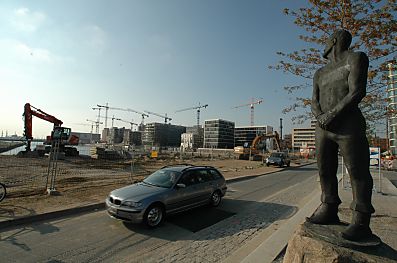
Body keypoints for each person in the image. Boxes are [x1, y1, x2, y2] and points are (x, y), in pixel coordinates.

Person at [308, 29, 374, 241]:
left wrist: (332, 114)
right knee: (324, 169)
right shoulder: (319, 73)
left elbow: (357, 91)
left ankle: (361, 219)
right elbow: (314, 100)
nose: (324, 46)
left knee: (357, 171)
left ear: (334, 41)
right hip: (323, 128)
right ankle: (329, 205)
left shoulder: (356, 58)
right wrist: (320, 117)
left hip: (349, 125)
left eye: (327, 41)